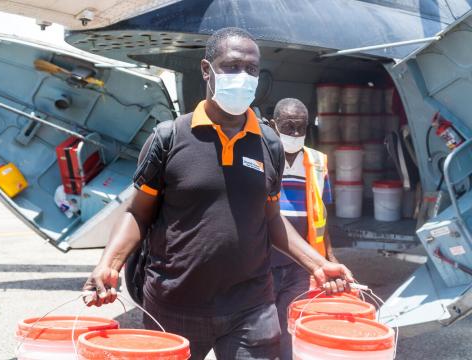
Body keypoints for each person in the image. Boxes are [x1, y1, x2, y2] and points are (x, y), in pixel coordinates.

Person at [83, 27, 353, 360]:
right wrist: (107, 265)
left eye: (252, 69)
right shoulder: (169, 138)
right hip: (174, 303)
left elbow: (270, 218)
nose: (243, 76)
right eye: (232, 66)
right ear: (206, 70)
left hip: (250, 306)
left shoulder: (269, 144)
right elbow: (137, 212)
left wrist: (318, 264)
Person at [269, 98, 337, 360]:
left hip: (299, 264)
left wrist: (330, 256)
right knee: (261, 330)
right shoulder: (260, 158)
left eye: (301, 128)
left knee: (291, 328)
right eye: (288, 127)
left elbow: (322, 215)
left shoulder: (318, 162)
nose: (295, 134)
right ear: (274, 126)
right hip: (263, 261)